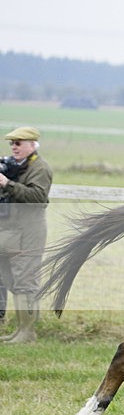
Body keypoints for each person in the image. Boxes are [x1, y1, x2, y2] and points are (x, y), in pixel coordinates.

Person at [0, 126, 53, 343]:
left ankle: (28, 332)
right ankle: (20, 330)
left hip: (28, 234)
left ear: (32, 145)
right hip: (11, 233)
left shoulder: (40, 168)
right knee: (11, 281)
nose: (14, 147)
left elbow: (38, 197)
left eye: (19, 143)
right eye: (12, 143)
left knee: (25, 283)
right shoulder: (15, 167)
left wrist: (7, 184)